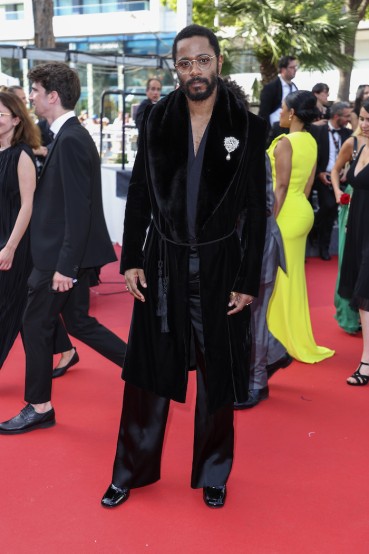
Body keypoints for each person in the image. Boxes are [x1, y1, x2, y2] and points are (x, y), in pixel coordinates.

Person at [101, 24, 267, 509]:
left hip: (221, 268)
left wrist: (247, 278)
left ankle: (214, 472)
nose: (194, 71)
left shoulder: (249, 127)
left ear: (218, 61)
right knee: (146, 376)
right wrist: (131, 257)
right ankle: (128, 472)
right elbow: (138, 194)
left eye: (203, 61)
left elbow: (257, 209)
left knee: (218, 378)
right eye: (185, 63)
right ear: (175, 68)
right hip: (163, 264)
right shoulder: (155, 119)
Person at [0, 61, 118, 435]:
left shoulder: (70, 140)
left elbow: (78, 210)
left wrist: (64, 268)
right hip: (65, 257)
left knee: (34, 324)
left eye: (34, 91)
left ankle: (39, 406)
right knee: (79, 323)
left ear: (52, 96)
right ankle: (147, 370)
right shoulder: (68, 137)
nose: (30, 97)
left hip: (59, 261)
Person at [266, 90, 335, 364]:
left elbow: (280, 187)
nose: (280, 112)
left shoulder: (285, 141)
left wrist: (270, 220)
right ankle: (289, 335)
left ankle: (279, 336)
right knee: (291, 277)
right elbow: (307, 186)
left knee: (277, 277)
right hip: (301, 210)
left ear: (292, 113)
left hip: (283, 213)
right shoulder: (310, 139)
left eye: (283, 108)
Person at [234, 154, 291, 410]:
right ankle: (277, 353)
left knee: (254, 315)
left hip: (260, 242)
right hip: (237, 242)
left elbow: (262, 207)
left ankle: (258, 384)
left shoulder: (251, 150)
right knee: (244, 314)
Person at [0, 92, 39, 368]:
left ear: (15, 119)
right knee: (21, 306)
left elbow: (28, 205)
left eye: (0, 114)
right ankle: (63, 349)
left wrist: (10, 247)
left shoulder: (22, 154)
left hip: (14, 239)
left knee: (6, 308)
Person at [333, 100, 369, 385]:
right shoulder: (361, 145)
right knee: (361, 291)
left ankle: (366, 362)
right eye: (364, 119)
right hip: (357, 225)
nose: (365, 125)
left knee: (365, 292)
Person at [331, 126, 368, 335]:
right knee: (349, 261)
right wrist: (337, 192)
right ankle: (349, 316)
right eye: (361, 118)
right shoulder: (352, 144)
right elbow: (335, 170)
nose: (364, 123)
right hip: (351, 207)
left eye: (368, 119)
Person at [310, 102, 352, 260]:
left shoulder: (348, 133)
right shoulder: (317, 130)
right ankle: (313, 229)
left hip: (341, 178)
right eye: (346, 116)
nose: (349, 119)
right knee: (328, 205)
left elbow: (351, 157)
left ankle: (324, 247)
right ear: (336, 116)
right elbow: (311, 154)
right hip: (321, 177)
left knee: (333, 209)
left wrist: (346, 172)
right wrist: (320, 173)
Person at [259, 55, 298, 133]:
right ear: (283, 69)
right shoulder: (271, 87)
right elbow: (264, 113)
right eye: (292, 67)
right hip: (274, 129)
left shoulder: (295, 87)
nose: (295, 70)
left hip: (291, 129)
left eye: (296, 67)